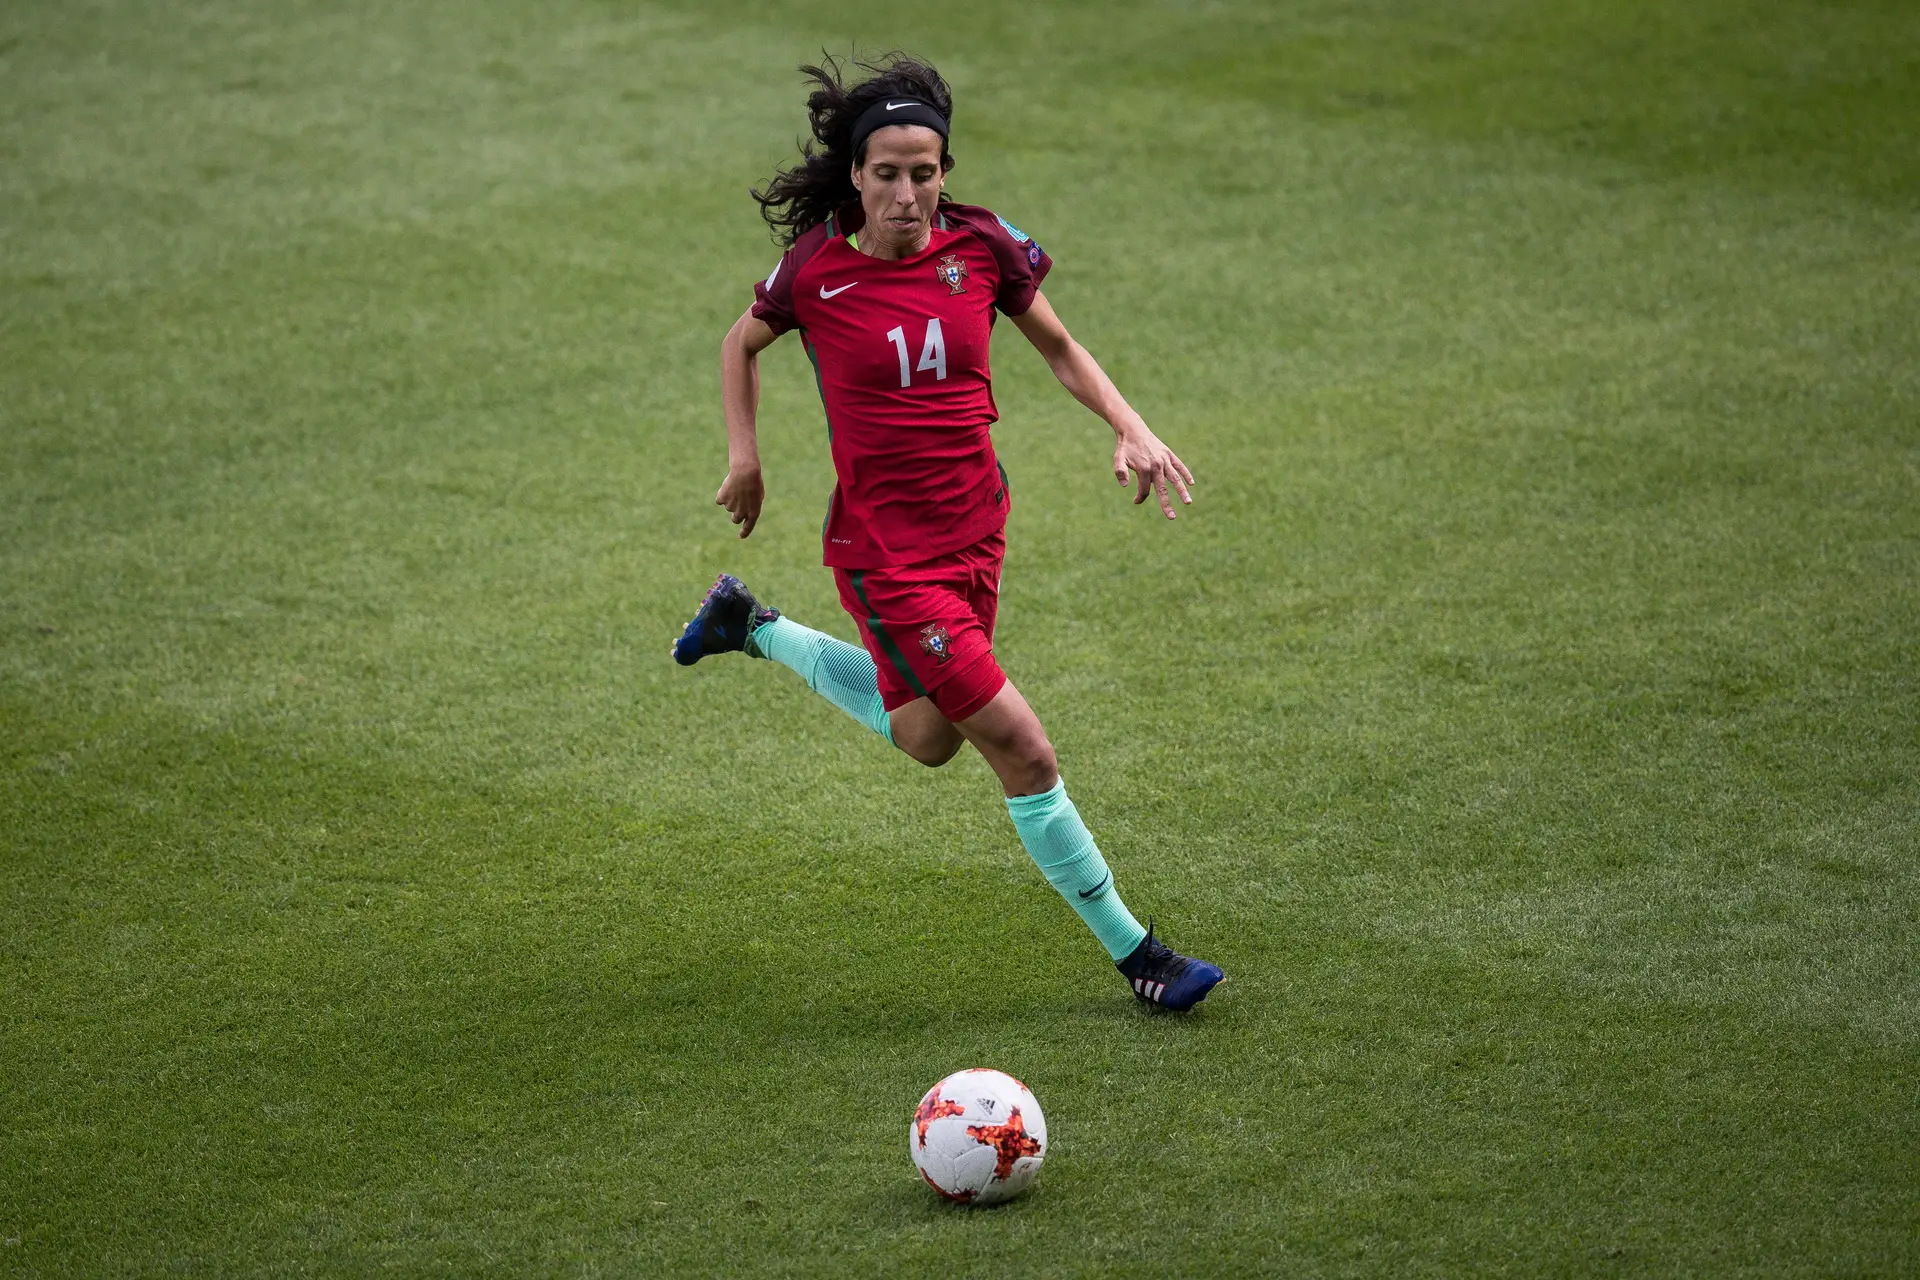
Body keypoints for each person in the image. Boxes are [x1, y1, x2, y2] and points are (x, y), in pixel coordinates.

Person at [674, 52, 1223, 1011]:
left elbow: (1055, 342)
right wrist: (746, 455)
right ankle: (1141, 957)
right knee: (1024, 751)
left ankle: (750, 626)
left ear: (944, 171)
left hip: (979, 532)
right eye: (885, 172)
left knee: (927, 739)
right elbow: (740, 341)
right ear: (854, 173)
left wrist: (1131, 425)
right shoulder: (816, 273)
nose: (906, 193)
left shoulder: (981, 248)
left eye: (923, 172)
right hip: (888, 560)